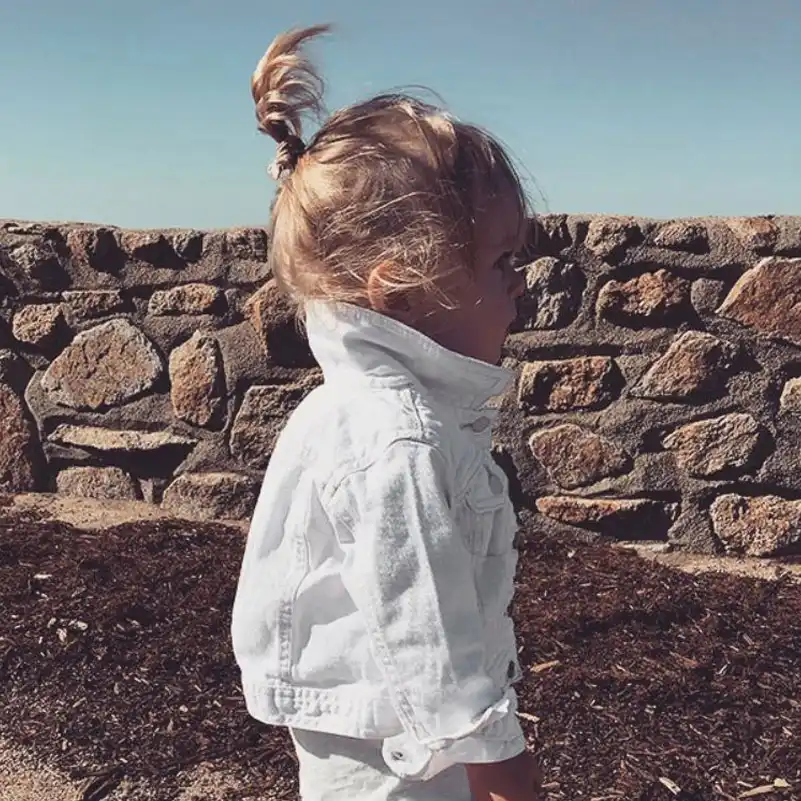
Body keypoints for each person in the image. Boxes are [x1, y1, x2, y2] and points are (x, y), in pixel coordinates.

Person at [231, 23, 543, 801]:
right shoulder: (393, 439)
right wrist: (505, 770)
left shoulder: (378, 414)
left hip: (395, 732)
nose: (521, 285)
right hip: (393, 754)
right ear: (400, 287)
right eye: (501, 261)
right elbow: (420, 629)